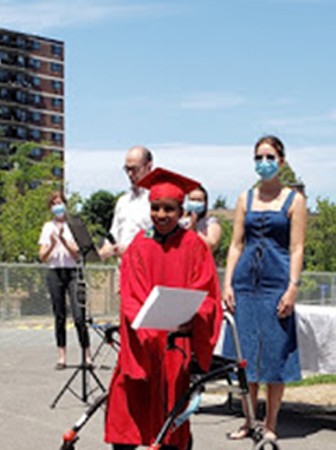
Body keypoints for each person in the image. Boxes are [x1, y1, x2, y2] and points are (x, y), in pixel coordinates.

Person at [104, 168, 223, 450]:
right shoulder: (138, 247)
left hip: (175, 346)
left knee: (172, 423)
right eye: (155, 208)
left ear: (181, 210)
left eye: (168, 209)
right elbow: (130, 297)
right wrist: (145, 326)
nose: (161, 214)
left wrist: (192, 319)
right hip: (141, 345)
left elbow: (206, 293)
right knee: (129, 416)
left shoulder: (194, 245)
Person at [222, 135, 307, 442]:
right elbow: (235, 244)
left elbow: (297, 248)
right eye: (258, 157)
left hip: (277, 283)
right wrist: (228, 283)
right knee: (245, 355)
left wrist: (292, 287)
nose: (263, 163)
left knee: (273, 355)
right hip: (245, 284)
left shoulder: (294, 200)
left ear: (281, 161)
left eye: (269, 157)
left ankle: (270, 424)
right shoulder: (245, 197)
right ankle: (249, 420)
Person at [38, 191, 92, 369]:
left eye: (60, 202)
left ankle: (87, 355)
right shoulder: (47, 227)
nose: (57, 206)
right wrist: (53, 243)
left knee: (79, 316)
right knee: (59, 315)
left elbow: (78, 253)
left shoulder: (73, 225)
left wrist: (63, 239)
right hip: (55, 271)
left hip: (73, 271)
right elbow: (42, 256)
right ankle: (62, 356)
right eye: (54, 203)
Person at [99, 146, 153, 259]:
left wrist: (131, 250)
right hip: (124, 269)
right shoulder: (123, 202)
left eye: (134, 169)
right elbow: (114, 235)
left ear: (149, 167)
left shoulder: (157, 200)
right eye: (127, 169)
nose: (129, 174)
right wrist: (104, 250)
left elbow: (158, 237)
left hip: (147, 269)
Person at [181, 185, 222, 251]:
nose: (195, 203)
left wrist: (195, 230)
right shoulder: (179, 222)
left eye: (199, 200)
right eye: (192, 200)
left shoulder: (211, 222)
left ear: (205, 203)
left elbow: (211, 245)